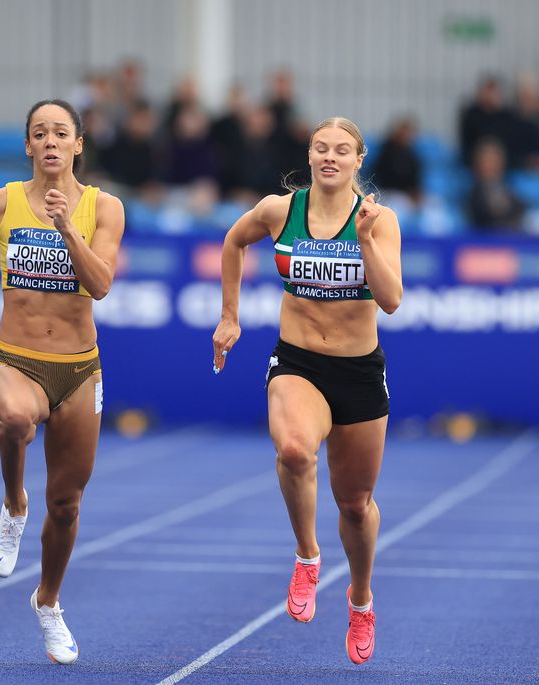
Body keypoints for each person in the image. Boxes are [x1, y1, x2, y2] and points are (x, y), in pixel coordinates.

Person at [0, 100, 124, 665]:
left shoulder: (103, 207)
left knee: (65, 504)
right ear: (27, 146)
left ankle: (48, 602)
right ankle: (14, 504)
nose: (49, 142)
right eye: (39, 133)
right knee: (14, 419)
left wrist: (68, 229)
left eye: (60, 133)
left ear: (78, 145)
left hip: (79, 369)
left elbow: (102, 284)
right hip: (15, 358)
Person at [212, 117, 402, 665]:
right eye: (321, 148)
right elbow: (233, 241)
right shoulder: (281, 210)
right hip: (297, 361)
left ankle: (361, 599)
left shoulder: (378, 219)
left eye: (342, 150)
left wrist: (365, 242)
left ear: (357, 161)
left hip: (358, 371)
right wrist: (230, 317)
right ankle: (307, 555)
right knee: (294, 450)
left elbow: (391, 300)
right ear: (311, 154)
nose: (330, 157)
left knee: (356, 504)